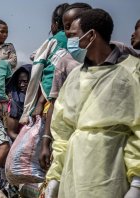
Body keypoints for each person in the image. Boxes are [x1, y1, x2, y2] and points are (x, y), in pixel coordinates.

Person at [45, 9, 140, 198]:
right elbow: (62, 130)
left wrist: (137, 181)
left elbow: (137, 129)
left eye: (75, 36)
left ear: (91, 35)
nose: (71, 43)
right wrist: (55, 176)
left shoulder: (131, 72)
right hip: (73, 172)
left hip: (110, 170)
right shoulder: (74, 77)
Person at [39, 2, 91, 171]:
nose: (67, 33)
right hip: (68, 134)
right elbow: (54, 103)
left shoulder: (118, 54)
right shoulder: (64, 61)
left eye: (70, 27)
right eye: (64, 26)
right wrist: (46, 142)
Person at [20, 3, 69, 126]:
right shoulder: (79, 40)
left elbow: (35, 57)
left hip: (48, 96)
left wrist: (38, 103)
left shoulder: (56, 39)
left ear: (55, 24)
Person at [5, 64, 32, 141]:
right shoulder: (15, 103)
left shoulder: (40, 99)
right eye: (19, 82)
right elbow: (11, 133)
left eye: (25, 81)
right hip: (20, 142)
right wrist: (28, 141)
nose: (22, 85)